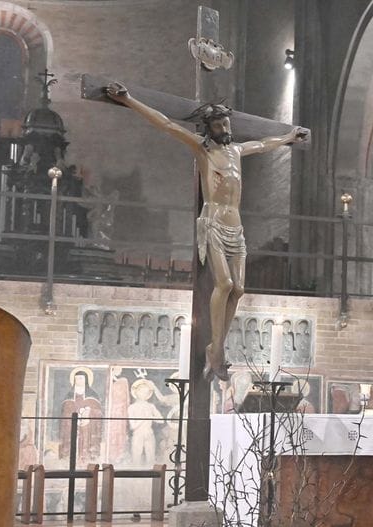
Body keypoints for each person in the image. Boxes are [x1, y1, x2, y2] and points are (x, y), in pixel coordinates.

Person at [105, 82, 308, 381]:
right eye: (218, 124)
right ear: (209, 128)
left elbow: (264, 145)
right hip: (212, 220)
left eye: (226, 122)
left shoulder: (236, 150)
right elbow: (166, 124)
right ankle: (218, 351)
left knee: (239, 289)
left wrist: (289, 136)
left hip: (235, 226)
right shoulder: (202, 151)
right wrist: (129, 99)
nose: (224, 127)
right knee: (224, 284)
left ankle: (216, 346)